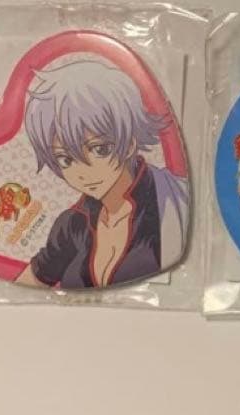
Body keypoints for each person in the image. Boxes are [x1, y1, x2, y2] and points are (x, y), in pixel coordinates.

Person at [14, 61, 189, 288]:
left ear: (129, 143)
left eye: (100, 149)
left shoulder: (168, 199)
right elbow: (27, 286)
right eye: (66, 159)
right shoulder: (72, 224)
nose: (84, 172)